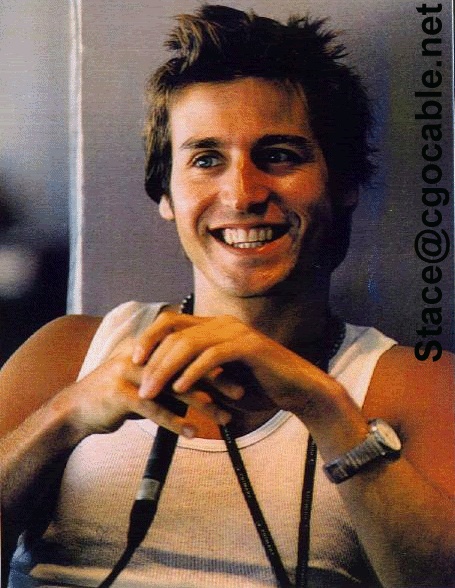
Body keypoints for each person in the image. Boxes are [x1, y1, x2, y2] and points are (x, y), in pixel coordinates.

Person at [1, 5, 454, 588]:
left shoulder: (415, 382)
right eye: (206, 159)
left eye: (280, 155)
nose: (241, 195)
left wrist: (324, 407)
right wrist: (65, 416)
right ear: (166, 195)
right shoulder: (70, 352)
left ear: (343, 183)